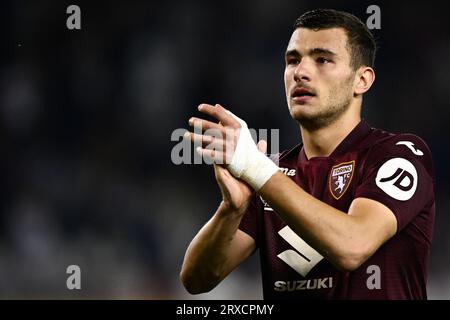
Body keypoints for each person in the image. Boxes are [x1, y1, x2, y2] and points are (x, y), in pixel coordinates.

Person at [180, 8, 435, 299]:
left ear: (361, 80)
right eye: (292, 60)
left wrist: (257, 170)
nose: (300, 72)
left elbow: (353, 245)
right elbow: (196, 280)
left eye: (323, 59)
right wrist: (231, 210)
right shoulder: (271, 173)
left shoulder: (397, 156)